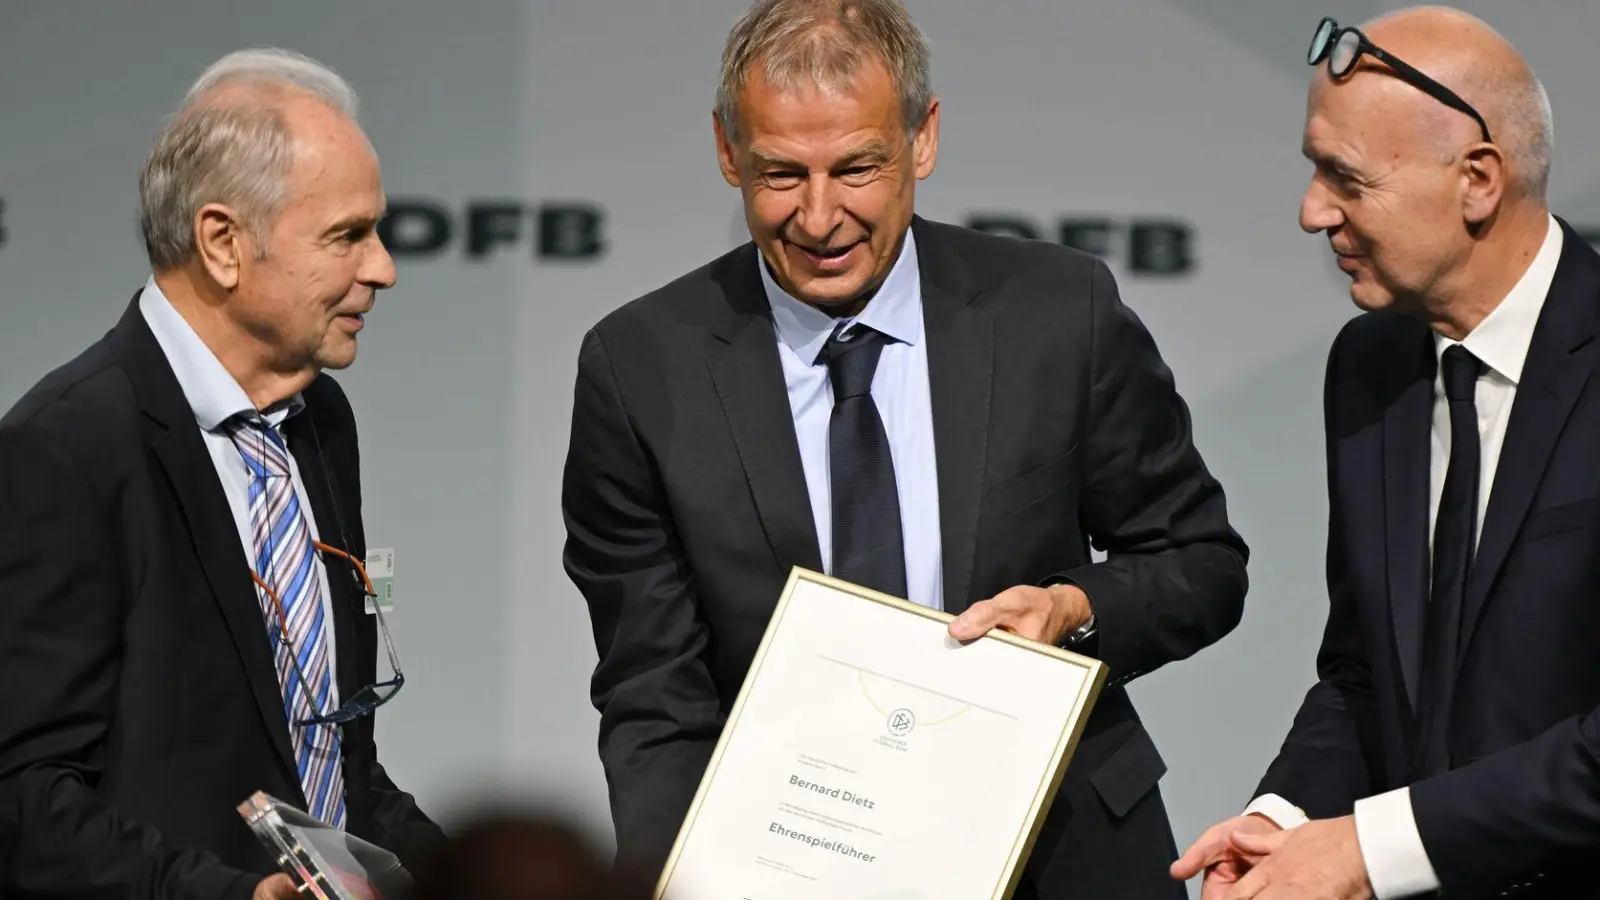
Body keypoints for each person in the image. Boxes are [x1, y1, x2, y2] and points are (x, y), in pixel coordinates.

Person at [560, 1, 1249, 896]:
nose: (818, 216)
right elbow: (654, 690)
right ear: (728, 152)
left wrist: (1071, 609)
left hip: (1066, 851)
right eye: (779, 174)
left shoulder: (1057, 313)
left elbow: (1201, 561)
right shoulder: (642, 366)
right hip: (794, 863)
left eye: (857, 167)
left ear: (922, 140)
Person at [1172, 7, 1600, 900]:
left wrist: (1368, 849)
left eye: (1346, 178)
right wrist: (1283, 822)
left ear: (1478, 181)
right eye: (1313, 167)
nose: (1310, 210)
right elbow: (1367, 670)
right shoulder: (1369, 366)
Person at [0, 48, 443, 899]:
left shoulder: (318, 421)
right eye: (348, 235)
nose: (384, 267)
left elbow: (329, 761)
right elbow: (23, 793)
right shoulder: (66, 450)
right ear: (223, 243)